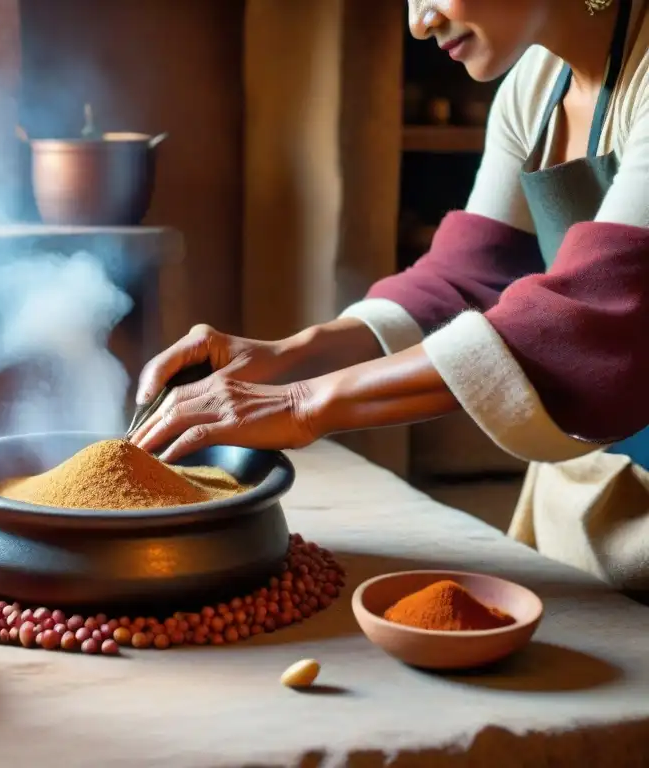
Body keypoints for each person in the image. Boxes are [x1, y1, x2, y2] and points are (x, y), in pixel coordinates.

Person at [130, 0, 649, 594]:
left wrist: (303, 404)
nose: (417, 21)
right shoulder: (532, 88)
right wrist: (291, 357)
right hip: (595, 499)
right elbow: (467, 281)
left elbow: (595, 317)